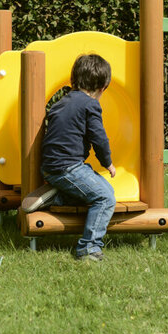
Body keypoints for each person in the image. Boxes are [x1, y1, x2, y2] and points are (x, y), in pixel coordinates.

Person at [21, 54, 117, 262]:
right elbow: (99, 137)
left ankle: (57, 196)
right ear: (103, 88)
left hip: (50, 167)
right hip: (69, 167)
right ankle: (89, 248)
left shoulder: (60, 103)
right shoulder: (90, 105)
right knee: (105, 198)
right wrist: (107, 162)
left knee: (100, 191)